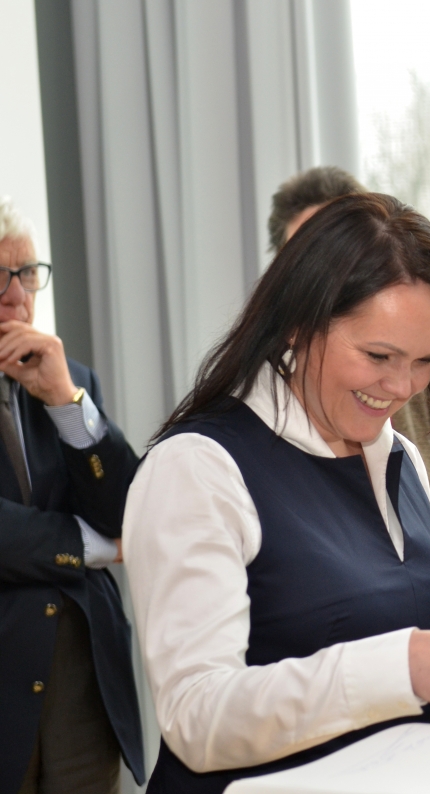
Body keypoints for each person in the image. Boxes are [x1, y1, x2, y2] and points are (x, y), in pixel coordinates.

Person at [124, 194, 430, 793]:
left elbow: (384, 703)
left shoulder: (399, 458)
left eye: (425, 361)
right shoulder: (198, 468)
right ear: (298, 323)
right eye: (378, 355)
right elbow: (197, 719)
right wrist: (404, 666)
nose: (402, 386)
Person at [269, 166, 430, 604]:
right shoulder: (229, 445)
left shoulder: (422, 389)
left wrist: (422, 576)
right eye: (313, 256)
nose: (398, 386)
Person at [0, 198, 144, 793]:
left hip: (84, 682)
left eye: (28, 273)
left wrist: (66, 403)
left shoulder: (70, 377)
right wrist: (90, 548)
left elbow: (123, 512)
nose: (17, 296)